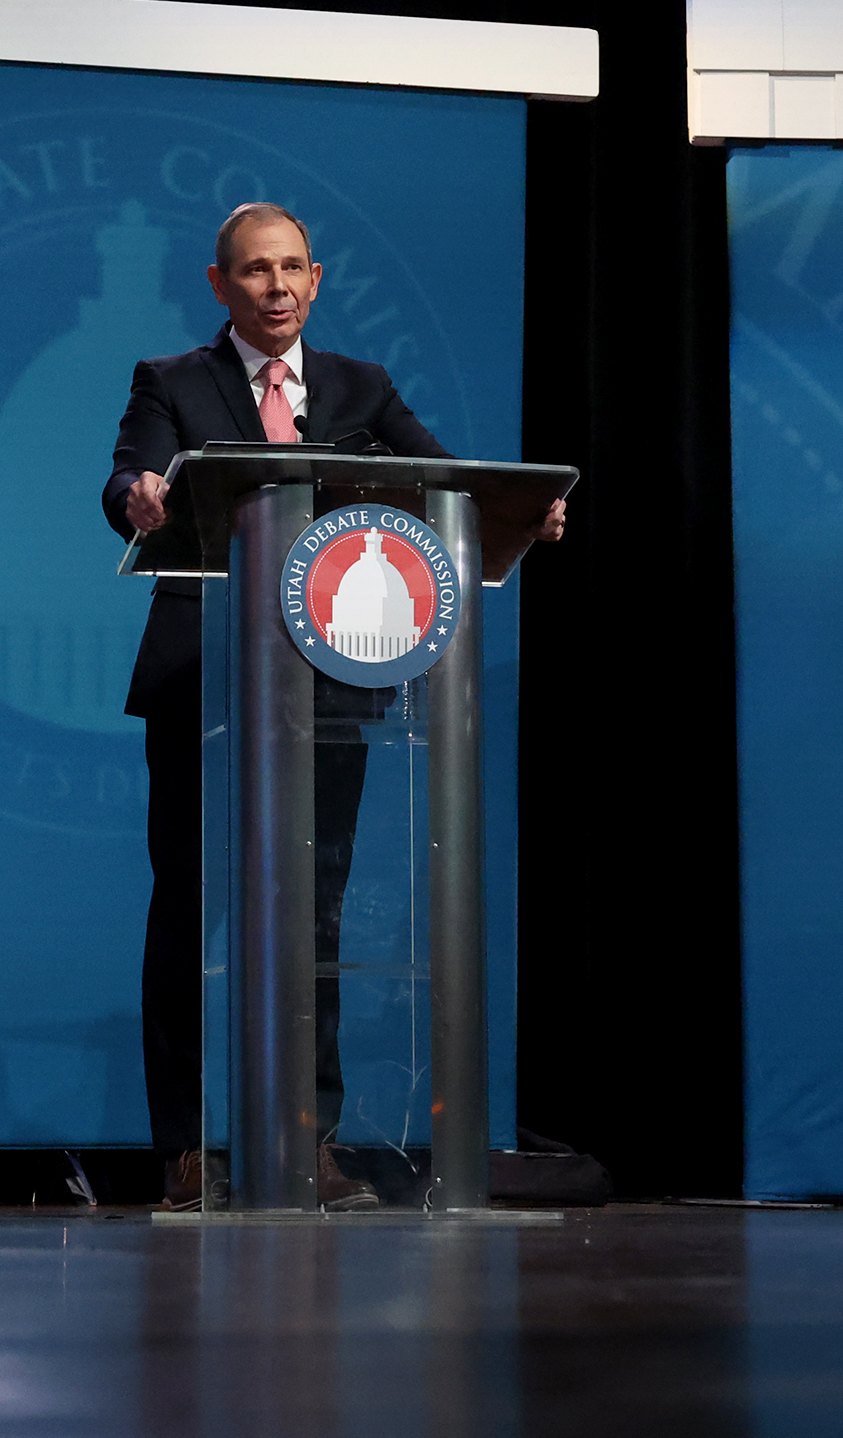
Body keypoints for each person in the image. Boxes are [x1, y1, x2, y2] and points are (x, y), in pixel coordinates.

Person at [103, 202, 563, 1209]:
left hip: (332, 683)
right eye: (255, 271)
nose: (277, 287)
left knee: (314, 914)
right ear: (220, 285)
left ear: (317, 281)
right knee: (193, 909)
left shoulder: (363, 389)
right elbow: (127, 478)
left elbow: (444, 482)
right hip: (204, 682)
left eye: (294, 269)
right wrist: (139, 491)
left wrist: (517, 510)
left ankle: (308, 1140)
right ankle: (188, 1149)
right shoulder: (172, 383)